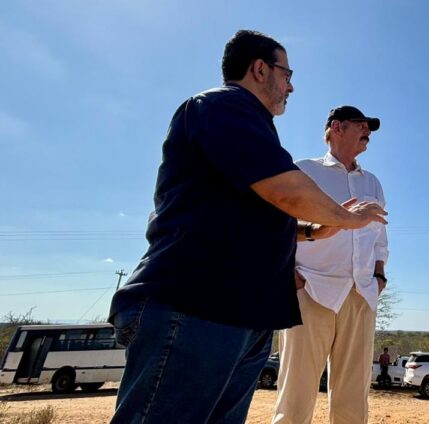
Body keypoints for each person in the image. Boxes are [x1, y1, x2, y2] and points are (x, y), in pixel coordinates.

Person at [108, 32, 387, 424]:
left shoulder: (258, 129)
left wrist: (311, 233)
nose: (291, 85)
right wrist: (347, 219)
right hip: (194, 309)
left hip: (241, 315)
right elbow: (286, 192)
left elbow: (258, 215)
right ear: (259, 69)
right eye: (286, 73)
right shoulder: (221, 106)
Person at [272, 106, 388, 424]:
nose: (368, 132)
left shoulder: (373, 183)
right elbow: (276, 227)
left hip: (361, 295)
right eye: (361, 125)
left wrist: (378, 277)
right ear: (336, 128)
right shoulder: (303, 171)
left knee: (352, 399)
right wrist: (290, 276)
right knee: (295, 395)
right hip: (310, 289)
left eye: (370, 127)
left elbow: (380, 239)